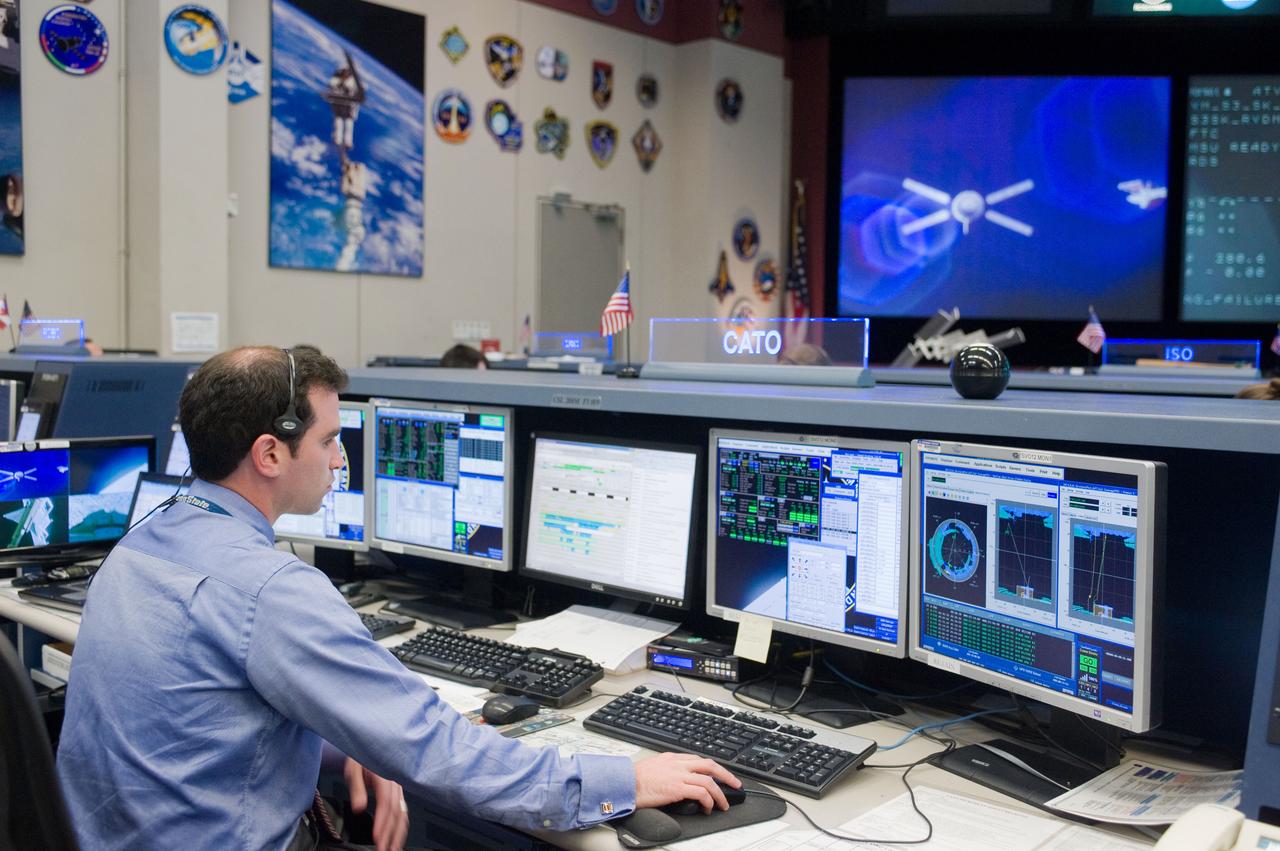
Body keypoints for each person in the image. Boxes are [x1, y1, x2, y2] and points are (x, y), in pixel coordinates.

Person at [56, 345, 737, 851]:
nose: (337, 459)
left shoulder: (140, 544)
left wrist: (346, 738)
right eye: (327, 440)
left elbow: (209, 721)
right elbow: (442, 751)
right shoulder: (270, 590)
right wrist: (625, 779)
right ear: (269, 454)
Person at [323, 51, 366, 154]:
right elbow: (332, 85)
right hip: (340, 103)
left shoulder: (354, 80)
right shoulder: (338, 76)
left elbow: (360, 90)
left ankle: (347, 142)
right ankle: (338, 139)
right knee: (339, 120)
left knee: (348, 121)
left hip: (348, 105)